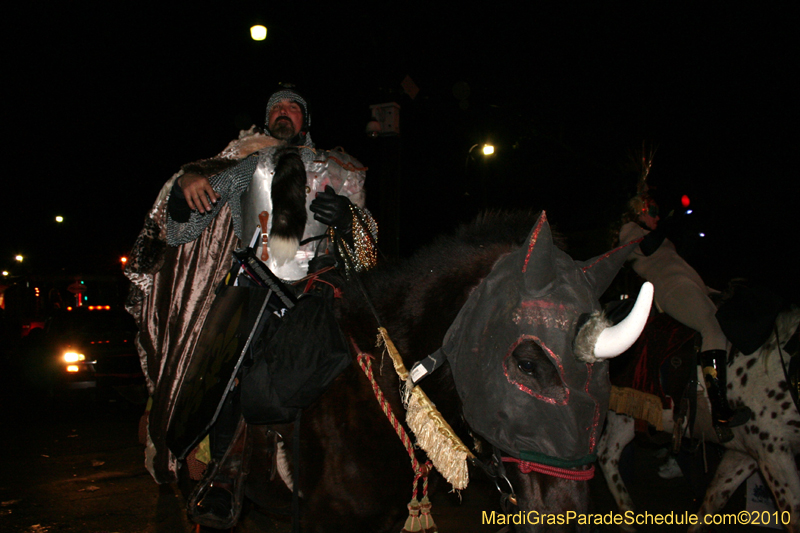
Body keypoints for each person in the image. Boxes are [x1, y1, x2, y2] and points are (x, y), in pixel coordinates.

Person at [124, 87, 377, 528]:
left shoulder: (341, 170)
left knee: (372, 354)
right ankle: (227, 471)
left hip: (319, 289)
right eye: (276, 107)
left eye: (293, 107)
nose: (284, 112)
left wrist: (347, 220)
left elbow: (368, 255)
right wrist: (184, 190)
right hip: (254, 284)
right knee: (232, 362)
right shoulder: (247, 166)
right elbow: (184, 230)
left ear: (305, 120)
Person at [618, 194, 749, 440]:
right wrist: (671, 220)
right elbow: (648, 247)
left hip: (690, 286)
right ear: (639, 212)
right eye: (653, 211)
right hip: (671, 288)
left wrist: (716, 291)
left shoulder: (657, 235)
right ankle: (720, 411)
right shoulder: (630, 230)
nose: (657, 216)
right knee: (712, 328)